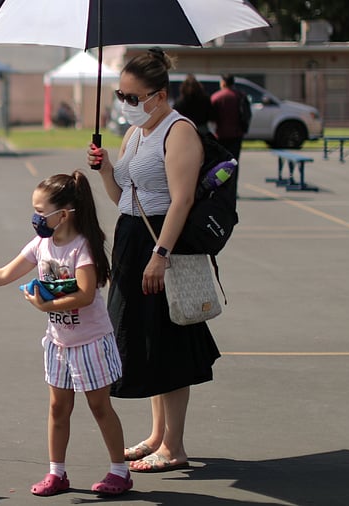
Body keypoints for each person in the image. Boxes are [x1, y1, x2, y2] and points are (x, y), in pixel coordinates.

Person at [0, 170, 132, 497]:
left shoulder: (81, 248)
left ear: (63, 214)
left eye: (41, 212)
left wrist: (43, 307)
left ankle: (119, 471)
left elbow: (84, 294)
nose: (35, 218)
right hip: (58, 344)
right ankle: (57, 473)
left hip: (90, 343)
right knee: (57, 409)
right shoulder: (42, 244)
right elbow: (6, 272)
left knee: (100, 407)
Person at [86, 47, 221, 473]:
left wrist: (160, 254)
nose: (125, 104)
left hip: (161, 243)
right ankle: (157, 435)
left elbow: (180, 201)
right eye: (121, 95)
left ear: (159, 95)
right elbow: (123, 197)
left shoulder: (179, 132)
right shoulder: (136, 133)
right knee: (145, 343)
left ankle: (174, 446)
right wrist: (107, 169)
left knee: (169, 344)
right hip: (132, 239)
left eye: (132, 96)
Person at [211, 74, 247, 196]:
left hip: (220, 135)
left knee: (220, 164)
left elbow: (212, 116)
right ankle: (232, 189)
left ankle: (221, 188)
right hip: (236, 134)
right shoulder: (240, 96)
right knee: (234, 163)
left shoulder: (216, 97)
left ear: (223, 83)